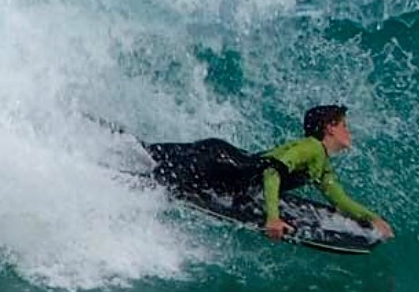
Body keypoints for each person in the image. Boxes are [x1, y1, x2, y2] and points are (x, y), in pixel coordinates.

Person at [145, 104, 393, 243]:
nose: (348, 132)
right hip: (216, 163)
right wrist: (273, 218)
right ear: (330, 128)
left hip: (225, 174)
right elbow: (272, 171)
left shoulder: (321, 162)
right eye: (344, 126)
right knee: (147, 158)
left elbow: (339, 199)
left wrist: (373, 218)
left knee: (146, 156)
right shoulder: (310, 148)